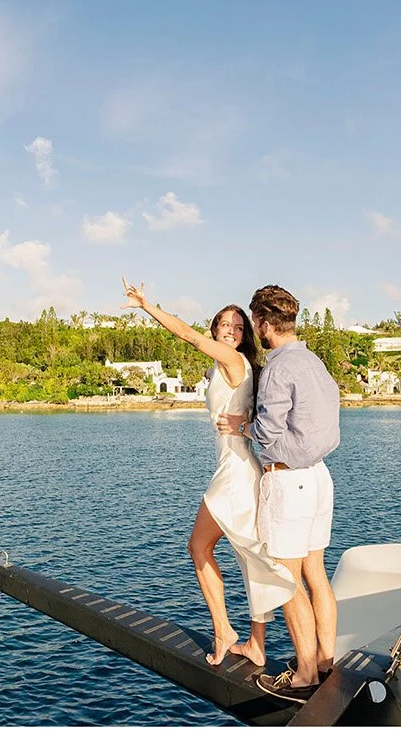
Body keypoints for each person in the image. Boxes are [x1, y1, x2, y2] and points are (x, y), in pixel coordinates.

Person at [121, 280, 298, 668]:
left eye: (238, 327)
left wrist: (146, 305)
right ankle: (256, 644)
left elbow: (185, 333)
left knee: (199, 548)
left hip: (235, 472)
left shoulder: (234, 361)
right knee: (249, 556)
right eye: (225, 325)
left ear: (244, 334)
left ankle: (224, 632)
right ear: (215, 327)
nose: (231, 331)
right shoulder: (234, 365)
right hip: (237, 467)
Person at [243, 285, 342, 702]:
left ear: (265, 323)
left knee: (286, 581)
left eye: (255, 323)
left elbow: (266, 432)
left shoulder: (279, 367)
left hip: (289, 480)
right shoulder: (313, 361)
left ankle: (304, 676)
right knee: (315, 573)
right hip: (320, 477)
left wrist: (243, 427)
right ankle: (324, 661)